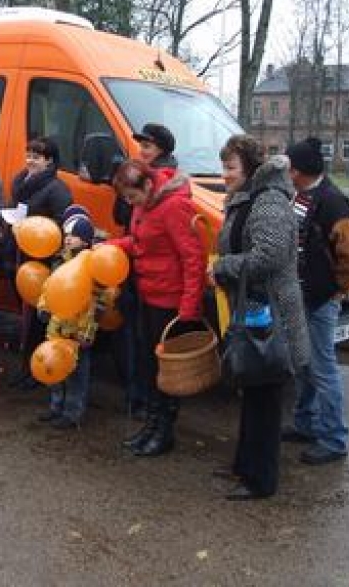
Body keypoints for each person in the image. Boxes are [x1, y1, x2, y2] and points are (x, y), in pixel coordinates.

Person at [210, 136, 309, 500]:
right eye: (223, 167)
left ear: (250, 168)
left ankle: (261, 480)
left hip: (273, 315)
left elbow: (268, 256)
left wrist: (224, 267)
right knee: (252, 389)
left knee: (265, 398)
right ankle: (244, 466)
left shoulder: (268, 201)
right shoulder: (248, 197)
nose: (224, 175)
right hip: (255, 309)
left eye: (230, 167)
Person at [109, 159, 205, 457]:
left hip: (169, 302)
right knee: (150, 366)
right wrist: (114, 245)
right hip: (149, 295)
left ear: (148, 185)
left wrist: (188, 309)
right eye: (126, 198)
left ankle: (164, 431)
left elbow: (193, 258)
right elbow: (141, 242)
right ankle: (152, 425)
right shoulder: (145, 204)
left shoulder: (174, 207)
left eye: (132, 197)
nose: (130, 203)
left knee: (165, 371)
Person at [284, 137, 349, 465]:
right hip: (300, 295)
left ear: (297, 171)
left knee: (322, 369)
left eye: (288, 167)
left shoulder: (334, 203)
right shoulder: (302, 195)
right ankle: (305, 423)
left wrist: (337, 288)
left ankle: (334, 439)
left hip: (319, 300)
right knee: (302, 364)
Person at [8, 136, 73, 389]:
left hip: (42, 262)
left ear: (50, 161)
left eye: (36, 157)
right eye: (28, 155)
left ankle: (36, 370)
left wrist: (34, 231)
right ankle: (25, 367)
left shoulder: (57, 189)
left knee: (37, 318)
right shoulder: (22, 182)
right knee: (25, 317)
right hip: (21, 256)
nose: (30, 161)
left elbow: (62, 223)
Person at [37, 210, 101, 429]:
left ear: (85, 240)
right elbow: (49, 287)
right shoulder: (60, 261)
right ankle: (56, 406)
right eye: (66, 235)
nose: (67, 239)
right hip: (57, 326)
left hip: (78, 331)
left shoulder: (92, 266)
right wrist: (44, 307)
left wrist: (87, 332)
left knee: (76, 373)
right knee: (55, 367)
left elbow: (95, 303)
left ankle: (73, 412)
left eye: (73, 235)